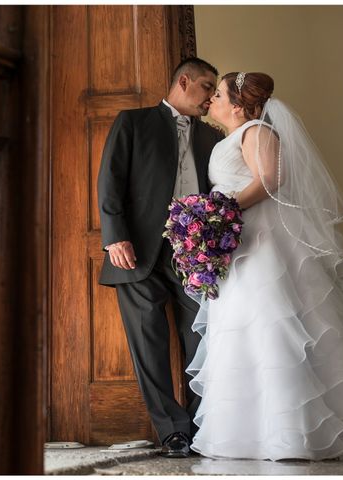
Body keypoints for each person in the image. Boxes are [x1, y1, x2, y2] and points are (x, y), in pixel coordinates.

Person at [186, 71, 343, 460]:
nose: (212, 101)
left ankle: (293, 434)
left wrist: (222, 213)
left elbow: (271, 179)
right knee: (245, 333)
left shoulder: (256, 132)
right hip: (241, 245)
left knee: (273, 328)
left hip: (263, 247)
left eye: (220, 95)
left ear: (239, 104)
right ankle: (252, 433)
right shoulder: (232, 137)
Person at [97, 57, 224, 458]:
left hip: (194, 254)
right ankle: (173, 432)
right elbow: (110, 180)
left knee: (201, 339)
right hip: (135, 251)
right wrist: (115, 237)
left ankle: (203, 427)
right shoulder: (132, 122)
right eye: (207, 87)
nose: (210, 98)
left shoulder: (211, 138)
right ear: (184, 82)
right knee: (147, 343)